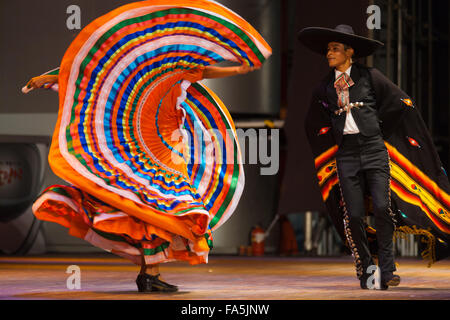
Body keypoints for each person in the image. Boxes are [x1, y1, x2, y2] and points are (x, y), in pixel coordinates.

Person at [24, 0, 271, 293]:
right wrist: (52, 77)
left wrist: (239, 68)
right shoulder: (155, 72)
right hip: (153, 147)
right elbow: (96, 71)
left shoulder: (170, 73)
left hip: (166, 145)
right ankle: (150, 272)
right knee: (161, 209)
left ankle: (149, 273)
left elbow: (203, 71)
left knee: (154, 210)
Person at [299, 24, 402, 290]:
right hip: (346, 155)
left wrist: (380, 132)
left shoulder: (370, 77)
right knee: (354, 215)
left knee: (381, 207)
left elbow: (397, 103)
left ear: (349, 52)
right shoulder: (324, 86)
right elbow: (312, 121)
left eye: (334, 49)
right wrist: (331, 139)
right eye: (328, 50)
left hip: (374, 149)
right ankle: (367, 269)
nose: (329, 54)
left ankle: (388, 268)